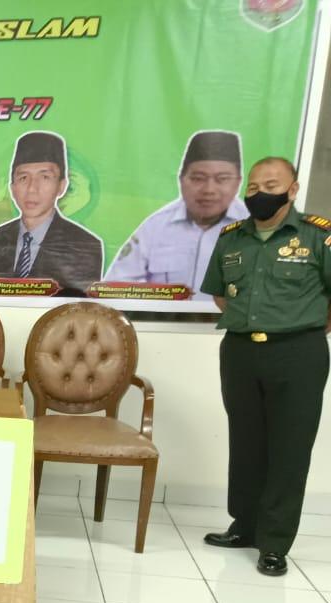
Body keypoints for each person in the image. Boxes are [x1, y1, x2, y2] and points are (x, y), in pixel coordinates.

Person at [199, 156, 331, 577]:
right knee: (246, 443)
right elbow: (220, 294)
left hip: (298, 352)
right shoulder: (232, 237)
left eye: (271, 186)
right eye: (253, 187)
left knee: (289, 449)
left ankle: (274, 543)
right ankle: (245, 526)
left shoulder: (318, 236)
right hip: (241, 351)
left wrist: (298, 325)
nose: (260, 193)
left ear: (292, 189)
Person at [106, 131, 248, 296]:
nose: (209, 190)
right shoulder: (155, 227)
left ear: (238, 182)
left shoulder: (253, 226)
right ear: (181, 180)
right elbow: (115, 286)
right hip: (162, 314)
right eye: (198, 178)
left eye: (222, 179)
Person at [0, 131, 103, 291]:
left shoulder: (85, 245)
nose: (32, 189)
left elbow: (80, 305)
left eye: (45, 177)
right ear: (12, 188)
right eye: (23, 178)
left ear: (62, 186)